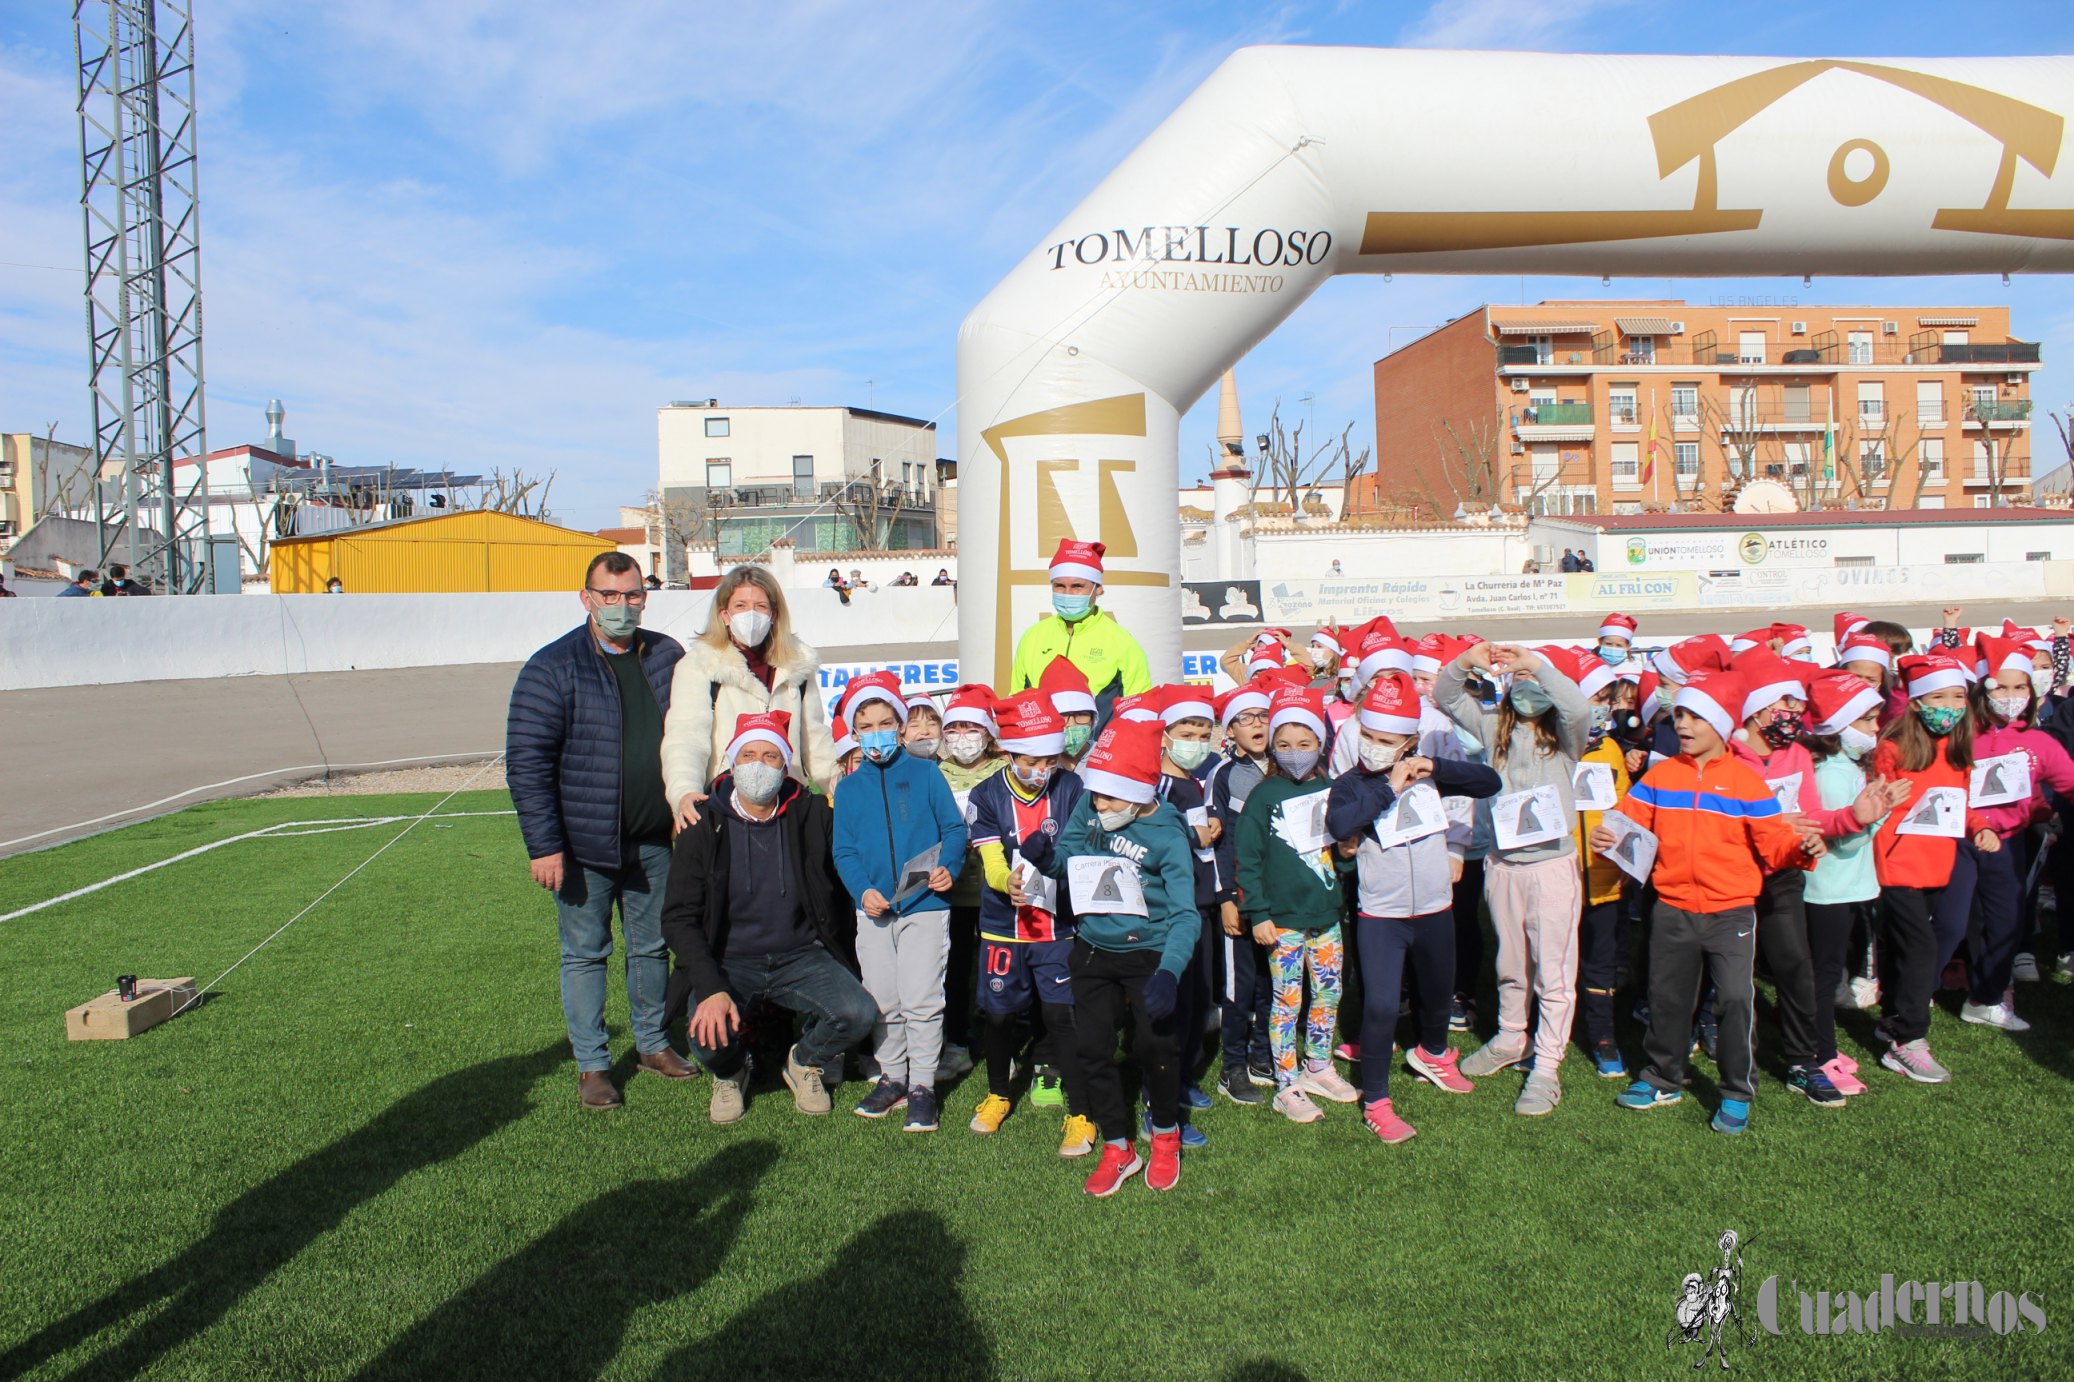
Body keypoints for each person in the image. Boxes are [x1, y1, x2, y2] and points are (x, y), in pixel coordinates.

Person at [1603, 668, 1824, 1135]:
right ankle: (1664, 1077)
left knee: (1737, 1002)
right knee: (1666, 998)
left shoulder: (1747, 783)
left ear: (1721, 725)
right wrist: (1611, 832)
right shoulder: (1661, 776)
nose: (1682, 725)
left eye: (1695, 717)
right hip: (1672, 908)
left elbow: (1775, 845)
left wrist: (1801, 852)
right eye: (1679, 714)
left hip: (1732, 912)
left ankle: (1737, 1090)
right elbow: (1628, 821)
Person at [507, 551, 692, 1109]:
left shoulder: (666, 655)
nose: (621, 606)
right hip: (584, 845)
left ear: (644, 596)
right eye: (609, 596)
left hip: (656, 840)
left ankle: (653, 1044)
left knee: (652, 947)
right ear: (587, 598)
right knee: (586, 953)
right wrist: (545, 846)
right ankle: (592, 1065)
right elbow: (528, 762)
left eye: (631, 594)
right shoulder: (552, 666)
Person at [661, 711, 878, 1124]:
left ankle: (803, 1061)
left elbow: (855, 853)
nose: (758, 765)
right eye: (748, 755)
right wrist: (709, 987)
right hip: (730, 959)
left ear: (785, 765)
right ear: (731, 761)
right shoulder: (701, 825)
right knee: (705, 1037)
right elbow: (678, 918)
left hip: (800, 955)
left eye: (770, 756)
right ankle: (730, 1071)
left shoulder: (814, 816)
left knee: (858, 1014)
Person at [1018, 715, 1200, 1197]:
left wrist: (1168, 972)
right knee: (1094, 1050)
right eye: (1096, 794)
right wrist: (1043, 858)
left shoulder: (1168, 836)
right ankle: (1118, 1147)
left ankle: (1165, 1135)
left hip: (1150, 957)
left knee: (1156, 1049)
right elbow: (1069, 863)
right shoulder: (1091, 807)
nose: (1099, 804)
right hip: (1093, 950)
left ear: (1141, 792)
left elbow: (1186, 915)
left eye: (1110, 797)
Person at [1325, 670, 1501, 1144]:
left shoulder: (1430, 775)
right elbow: (1341, 821)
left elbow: (1489, 782)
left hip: (1435, 909)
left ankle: (1432, 1052)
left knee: (1438, 990)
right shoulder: (1352, 783)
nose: (1374, 746)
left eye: (1388, 740)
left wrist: (1437, 770)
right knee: (1382, 1005)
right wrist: (1389, 788)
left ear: (1410, 742)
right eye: (1369, 736)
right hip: (1382, 915)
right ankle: (1377, 1101)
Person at [1439, 641, 1590, 1116]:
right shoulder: (1493, 727)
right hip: (1504, 866)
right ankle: (1510, 1037)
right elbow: (1447, 695)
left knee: (1554, 970)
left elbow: (1578, 707)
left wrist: (1537, 666)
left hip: (1551, 867)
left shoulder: (1567, 738)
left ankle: (1546, 1065)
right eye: (1518, 679)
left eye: (1535, 681)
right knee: (1511, 961)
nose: (1526, 687)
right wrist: (1467, 662)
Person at [831, 671, 967, 1132]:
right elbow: (843, 850)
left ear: (902, 725)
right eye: (866, 726)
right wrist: (861, 891)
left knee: (922, 998)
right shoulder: (848, 789)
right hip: (873, 912)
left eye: (886, 722)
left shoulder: (926, 773)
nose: (877, 733)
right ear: (853, 733)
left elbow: (954, 829)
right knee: (882, 998)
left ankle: (923, 1084)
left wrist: (950, 866)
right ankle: (892, 1076)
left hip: (925, 905)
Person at [966, 690, 1097, 1155]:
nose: (1042, 769)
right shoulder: (985, 795)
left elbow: (1082, 844)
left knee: (1062, 1015)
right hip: (1004, 926)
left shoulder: (1072, 788)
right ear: (1007, 751)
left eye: (1050, 758)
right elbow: (991, 859)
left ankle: (1080, 1113)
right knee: (999, 1016)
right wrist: (1007, 884)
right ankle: (999, 1094)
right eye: (1031, 759)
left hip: (1057, 927)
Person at [1725, 649, 1845, 1108]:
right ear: (1755, 710)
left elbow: (1811, 815)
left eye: (1798, 705)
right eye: (1787, 704)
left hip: (1782, 875)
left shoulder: (1797, 753)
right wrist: (1773, 824)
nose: (1796, 714)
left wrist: (1812, 837)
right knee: (1729, 971)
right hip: (1733, 875)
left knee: (1795, 964)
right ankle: (1726, 1043)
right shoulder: (1726, 756)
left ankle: (1801, 1059)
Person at [1869, 653, 1995, 1085]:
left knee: (1909, 946)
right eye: (1939, 697)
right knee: (1921, 949)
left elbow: (1962, 803)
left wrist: (1980, 828)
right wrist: (1885, 800)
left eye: (1958, 697)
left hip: (1938, 866)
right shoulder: (1893, 748)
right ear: (1918, 702)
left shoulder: (1958, 750)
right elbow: (1874, 803)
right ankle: (1909, 1041)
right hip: (1897, 864)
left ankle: (1891, 1017)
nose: (1950, 706)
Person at [1236, 684, 1357, 1123]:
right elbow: (1247, 859)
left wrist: (1346, 861)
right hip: (1282, 922)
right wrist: (1259, 914)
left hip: (1325, 917)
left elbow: (1339, 852)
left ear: (1320, 745)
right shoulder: (1264, 796)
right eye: (1283, 745)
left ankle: (1318, 1064)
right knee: (1287, 1002)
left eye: (1304, 744)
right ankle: (1286, 1083)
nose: (1294, 752)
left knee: (1328, 993)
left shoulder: (1332, 790)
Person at [661, 564, 838, 826]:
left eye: (761, 606)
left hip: (788, 805)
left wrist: (839, 784)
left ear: (775, 614)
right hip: (727, 805)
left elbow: (814, 739)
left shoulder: (798, 664)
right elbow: (686, 738)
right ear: (724, 614)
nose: (751, 614)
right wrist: (684, 791)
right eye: (741, 606)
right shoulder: (700, 665)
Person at [1801, 670, 1907, 1097]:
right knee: (1823, 976)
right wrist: (1881, 811)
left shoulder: (1846, 768)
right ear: (1838, 726)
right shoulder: (1830, 774)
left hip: (1846, 889)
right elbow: (1840, 838)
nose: (1874, 730)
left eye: (1876, 720)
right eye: (1865, 721)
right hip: (1827, 890)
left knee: (1829, 971)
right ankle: (1819, 1054)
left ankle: (1821, 1045)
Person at [1964, 635, 2074, 1032]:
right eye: (2002, 687)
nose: (2011, 696)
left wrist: (2041, 812)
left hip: (2005, 843)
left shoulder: (2038, 741)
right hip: (1956, 840)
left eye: (2020, 687)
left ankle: (1987, 995)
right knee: (1949, 922)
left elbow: (2067, 782)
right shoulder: (1961, 737)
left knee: (2005, 919)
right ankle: (1916, 990)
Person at [1206, 679, 1277, 1101]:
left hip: (1279, 902)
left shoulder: (1292, 768)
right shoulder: (1224, 775)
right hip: (1240, 900)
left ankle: (1263, 1053)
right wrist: (1226, 898)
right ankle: (1233, 1065)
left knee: (1275, 981)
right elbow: (1219, 845)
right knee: (1239, 985)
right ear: (1229, 731)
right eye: (1244, 718)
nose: (1256, 724)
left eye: (1263, 716)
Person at [934, 685, 1006, 1086]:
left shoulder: (1005, 770)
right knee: (957, 968)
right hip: (954, 892)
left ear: (988, 732)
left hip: (996, 889)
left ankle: (1004, 1042)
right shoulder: (936, 774)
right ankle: (957, 1043)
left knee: (1000, 968)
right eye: (954, 729)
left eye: (971, 727)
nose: (963, 737)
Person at [1007, 539, 1152, 724]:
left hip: (1100, 750)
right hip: (1044, 751)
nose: (1067, 594)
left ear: (1098, 589)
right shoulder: (1032, 637)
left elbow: (1139, 713)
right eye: (1059, 586)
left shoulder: (1122, 642)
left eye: (1077, 586)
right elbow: (1017, 701)